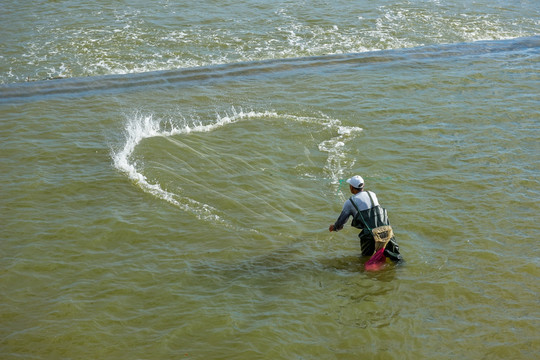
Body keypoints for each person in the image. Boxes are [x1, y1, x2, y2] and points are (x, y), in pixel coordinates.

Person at [329, 175, 402, 262]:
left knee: (365, 259)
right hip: (386, 230)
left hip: (370, 235)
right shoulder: (372, 194)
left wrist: (334, 228)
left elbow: (341, 222)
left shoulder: (349, 202)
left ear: (351, 187)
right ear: (363, 186)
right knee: (396, 258)